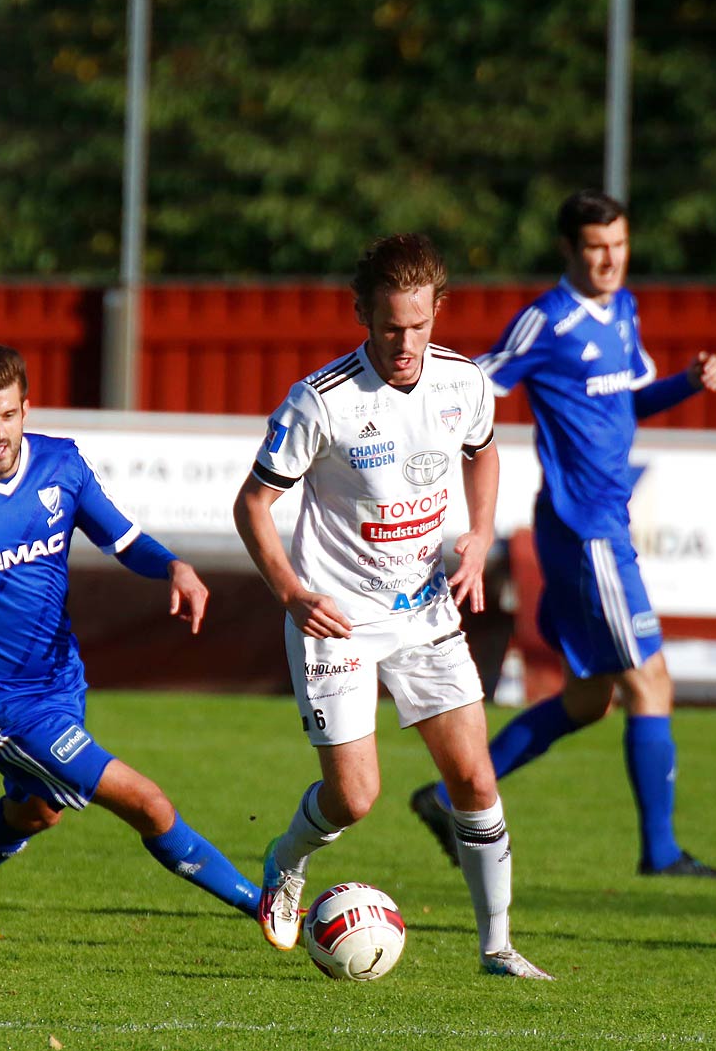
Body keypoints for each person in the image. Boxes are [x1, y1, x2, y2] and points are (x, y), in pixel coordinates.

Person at [0, 342, 260, 939]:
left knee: (38, 810)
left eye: (8, 415)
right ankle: (267, 906)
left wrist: (174, 567)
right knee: (148, 803)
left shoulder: (62, 466)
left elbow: (123, 539)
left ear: (26, 408)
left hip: (61, 681)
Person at [233, 232, 552, 979]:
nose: (404, 343)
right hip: (336, 618)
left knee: (474, 778)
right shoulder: (323, 401)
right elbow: (253, 505)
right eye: (388, 328)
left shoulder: (464, 383)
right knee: (356, 798)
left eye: (418, 325)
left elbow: (485, 451)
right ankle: (286, 861)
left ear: (438, 310)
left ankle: (497, 947)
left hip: (425, 612)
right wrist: (292, 593)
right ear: (362, 317)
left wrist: (477, 537)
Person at [410, 189, 716, 880]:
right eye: (595, 247)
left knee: (589, 699)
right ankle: (662, 855)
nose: (610, 258)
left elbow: (625, 403)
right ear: (569, 249)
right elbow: (474, 381)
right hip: (586, 531)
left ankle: (446, 797)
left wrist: (685, 383)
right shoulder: (547, 322)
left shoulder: (622, 309)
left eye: (618, 244)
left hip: (593, 526)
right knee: (652, 682)